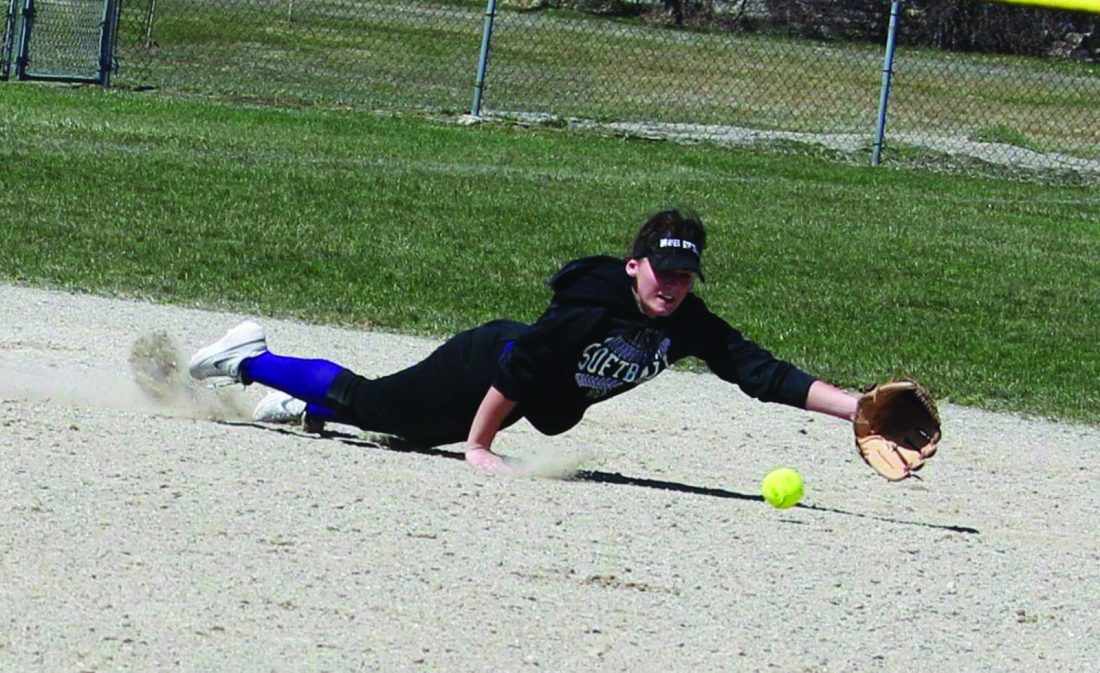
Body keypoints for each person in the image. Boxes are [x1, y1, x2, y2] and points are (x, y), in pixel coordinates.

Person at [189, 209, 859, 474]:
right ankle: (248, 357)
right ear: (635, 265)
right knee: (373, 404)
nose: (674, 285)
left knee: (407, 432)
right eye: (664, 271)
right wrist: (479, 446)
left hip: (519, 390)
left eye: (685, 276)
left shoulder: (687, 322)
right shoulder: (591, 303)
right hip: (487, 363)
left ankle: (300, 406)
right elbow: (523, 364)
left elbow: (759, 371)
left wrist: (856, 409)